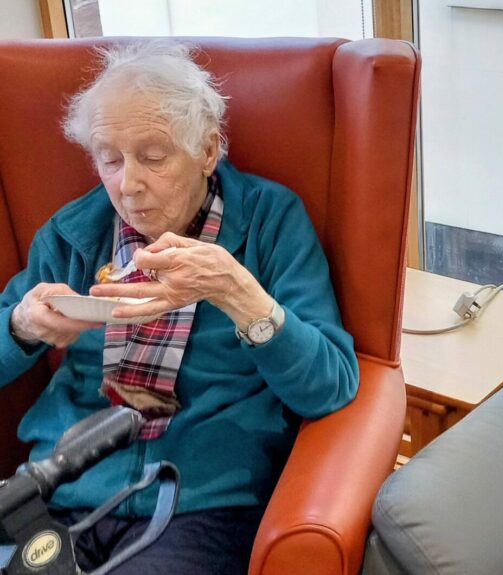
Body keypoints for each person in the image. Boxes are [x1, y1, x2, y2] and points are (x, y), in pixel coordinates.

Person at [0, 41, 359, 574]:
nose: (128, 184)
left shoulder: (270, 221)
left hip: (199, 502)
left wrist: (237, 292)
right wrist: (22, 325)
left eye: (153, 157)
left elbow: (331, 385)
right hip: (58, 486)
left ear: (208, 151)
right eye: (110, 159)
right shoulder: (75, 233)